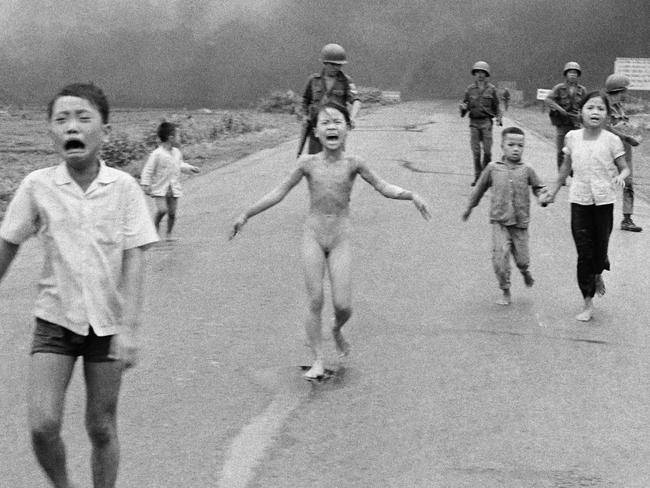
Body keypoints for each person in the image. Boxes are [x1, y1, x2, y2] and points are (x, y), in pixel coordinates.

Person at [0, 83, 159, 487]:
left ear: (105, 130)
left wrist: (130, 329)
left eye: (83, 118)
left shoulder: (123, 187)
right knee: (42, 425)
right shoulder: (38, 185)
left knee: (101, 426)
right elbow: (7, 245)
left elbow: (136, 256)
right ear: (51, 132)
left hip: (106, 326)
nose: (72, 126)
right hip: (55, 321)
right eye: (61, 119)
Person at [230, 102, 430, 379]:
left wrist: (411, 195)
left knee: (343, 305)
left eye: (338, 121)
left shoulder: (354, 163)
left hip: (340, 237)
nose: (332, 126)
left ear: (347, 129)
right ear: (316, 132)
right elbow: (279, 192)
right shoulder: (307, 164)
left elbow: (383, 186)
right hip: (312, 235)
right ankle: (317, 359)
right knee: (315, 300)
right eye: (325, 122)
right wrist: (246, 214)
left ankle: (336, 329)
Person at [543, 91, 629, 322]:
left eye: (601, 109)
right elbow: (564, 169)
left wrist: (621, 176)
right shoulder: (572, 137)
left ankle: (598, 271)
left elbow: (625, 167)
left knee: (599, 252)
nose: (595, 112)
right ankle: (587, 301)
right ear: (581, 112)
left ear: (607, 115)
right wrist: (552, 191)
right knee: (584, 252)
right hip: (579, 200)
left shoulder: (612, 140)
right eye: (590, 107)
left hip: (604, 201)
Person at [462, 127, 547, 305]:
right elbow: (479, 188)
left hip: (520, 223)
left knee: (523, 260)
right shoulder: (493, 168)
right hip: (499, 221)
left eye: (520, 145)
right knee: (500, 258)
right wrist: (470, 207)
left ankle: (524, 271)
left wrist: (543, 197)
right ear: (502, 146)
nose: (516, 149)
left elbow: (539, 187)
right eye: (511, 144)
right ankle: (505, 289)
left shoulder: (527, 169)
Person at [140, 121, 200, 240]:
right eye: (178, 136)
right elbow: (148, 170)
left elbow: (179, 165)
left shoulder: (177, 153)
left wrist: (190, 168)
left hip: (173, 188)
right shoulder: (157, 154)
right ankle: (155, 226)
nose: (180, 138)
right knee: (162, 210)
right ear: (170, 138)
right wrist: (145, 184)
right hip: (160, 188)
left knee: (172, 213)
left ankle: (169, 234)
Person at [299, 43, 362, 156]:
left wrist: (352, 118)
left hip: (337, 129)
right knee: (314, 161)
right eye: (332, 64)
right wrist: (304, 116)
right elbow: (305, 100)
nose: (336, 68)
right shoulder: (313, 81)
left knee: (336, 161)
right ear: (325, 63)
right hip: (317, 128)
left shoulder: (346, 81)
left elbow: (356, 100)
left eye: (339, 65)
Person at [605, 73, 643, 232]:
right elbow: (606, 127)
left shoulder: (620, 106)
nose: (626, 94)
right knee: (605, 184)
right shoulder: (604, 106)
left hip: (624, 151)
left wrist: (635, 134)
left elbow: (623, 125)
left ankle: (627, 219)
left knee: (628, 183)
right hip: (609, 150)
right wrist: (627, 137)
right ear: (618, 90)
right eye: (624, 90)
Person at [459, 61, 502, 186]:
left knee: (487, 152)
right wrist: (462, 108)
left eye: (482, 72)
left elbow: (497, 106)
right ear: (474, 74)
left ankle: (485, 175)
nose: (480, 75)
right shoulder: (470, 90)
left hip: (486, 122)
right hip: (474, 123)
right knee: (476, 152)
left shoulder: (492, 89)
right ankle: (478, 177)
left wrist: (499, 117)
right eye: (477, 72)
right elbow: (464, 107)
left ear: (486, 74)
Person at [544, 62, 587, 176]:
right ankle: (561, 175)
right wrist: (559, 109)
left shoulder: (582, 90)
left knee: (575, 150)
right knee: (561, 150)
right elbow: (548, 100)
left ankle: (572, 171)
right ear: (566, 74)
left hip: (576, 124)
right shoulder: (559, 88)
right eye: (570, 72)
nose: (572, 75)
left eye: (575, 73)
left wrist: (582, 115)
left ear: (578, 75)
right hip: (562, 123)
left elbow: (587, 105)